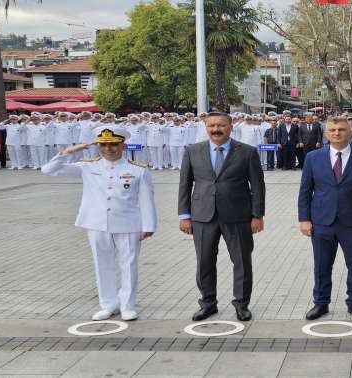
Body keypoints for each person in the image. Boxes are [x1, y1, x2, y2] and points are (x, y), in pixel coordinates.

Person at [41, 125, 157, 321]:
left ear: (123, 145)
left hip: (128, 223)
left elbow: (147, 199)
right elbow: (48, 170)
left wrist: (149, 225)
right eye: (103, 145)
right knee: (102, 264)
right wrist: (70, 151)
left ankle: (127, 304)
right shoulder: (88, 166)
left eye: (113, 144)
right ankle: (108, 304)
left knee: (129, 265)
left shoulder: (137, 170)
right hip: (96, 222)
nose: (108, 149)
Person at [178, 112, 266, 322]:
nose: (216, 129)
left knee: (242, 261)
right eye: (212, 126)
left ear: (231, 126)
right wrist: (184, 215)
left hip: (238, 216)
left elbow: (258, 186)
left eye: (221, 125)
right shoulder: (192, 151)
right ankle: (208, 303)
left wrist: (257, 215)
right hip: (202, 215)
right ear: (205, 127)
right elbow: (185, 184)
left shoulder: (247, 152)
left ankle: (241, 304)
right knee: (204, 261)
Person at [298, 116, 352, 321]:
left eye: (341, 130)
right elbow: (305, 192)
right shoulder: (313, 158)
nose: (337, 133)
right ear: (326, 133)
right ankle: (321, 302)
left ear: (351, 132)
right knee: (322, 264)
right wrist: (304, 219)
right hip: (321, 221)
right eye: (332, 130)